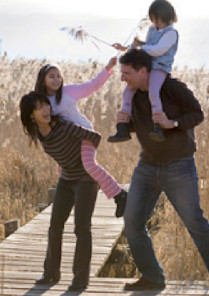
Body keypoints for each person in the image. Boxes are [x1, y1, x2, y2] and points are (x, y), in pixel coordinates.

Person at [116, 48, 209, 291]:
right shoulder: (132, 95)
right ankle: (152, 277)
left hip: (179, 165)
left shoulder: (173, 87)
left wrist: (173, 123)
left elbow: (198, 114)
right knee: (132, 220)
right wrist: (126, 124)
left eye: (127, 73)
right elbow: (143, 125)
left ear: (143, 71)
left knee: (194, 222)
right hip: (147, 165)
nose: (122, 78)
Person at [20, 91, 107, 291]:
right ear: (31, 115)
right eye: (39, 107)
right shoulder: (38, 132)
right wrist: (66, 163)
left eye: (46, 105)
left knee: (81, 228)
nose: (45, 109)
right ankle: (51, 273)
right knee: (55, 226)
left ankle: (80, 279)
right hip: (66, 179)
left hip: (86, 179)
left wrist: (86, 160)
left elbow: (95, 137)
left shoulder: (64, 126)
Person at [34, 57, 127, 218]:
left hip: (84, 134)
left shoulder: (68, 91)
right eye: (51, 76)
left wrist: (108, 68)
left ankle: (120, 195)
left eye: (58, 76)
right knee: (63, 169)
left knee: (89, 165)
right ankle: (88, 190)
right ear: (42, 80)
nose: (56, 79)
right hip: (67, 142)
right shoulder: (41, 102)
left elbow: (92, 86)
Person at [108, 0, 178, 143]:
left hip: (160, 67)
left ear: (168, 17)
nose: (156, 23)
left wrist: (138, 48)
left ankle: (158, 125)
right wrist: (127, 47)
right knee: (127, 92)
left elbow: (157, 50)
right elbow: (147, 46)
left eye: (158, 20)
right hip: (147, 66)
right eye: (153, 19)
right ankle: (123, 127)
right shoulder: (152, 30)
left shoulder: (172, 33)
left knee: (153, 91)